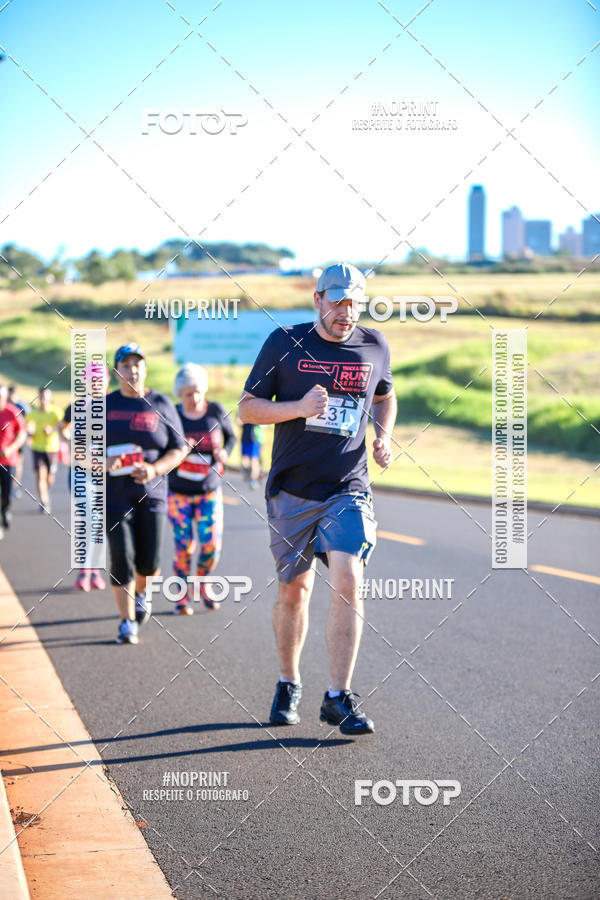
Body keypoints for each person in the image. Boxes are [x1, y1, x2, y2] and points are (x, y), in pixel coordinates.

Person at [239, 262, 396, 735]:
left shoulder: (374, 346)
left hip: (347, 486)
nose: (348, 312)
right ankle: (289, 682)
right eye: (339, 301)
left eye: (356, 302)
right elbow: (247, 409)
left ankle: (338, 697)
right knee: (295, 590)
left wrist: (383, 436)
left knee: (349, 579)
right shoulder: (285, 343)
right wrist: (299, 408)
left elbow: (386, 395)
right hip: (291, 490)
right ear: (319, 300)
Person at [106, 343, 188, 644]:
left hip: (151, 495)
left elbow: (179, 449)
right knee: (120, 556)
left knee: (149, 561)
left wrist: (154, 469)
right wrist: (102, 461)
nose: (132, 370)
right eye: (125, 365)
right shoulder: (105, 405)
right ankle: (126, 622)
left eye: (137, 364)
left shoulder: (162, 404)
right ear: (117, 372)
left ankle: (142, 593)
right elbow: (79, 450)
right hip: (114, 495)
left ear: (145, 368)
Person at [168, 363, 236, 614]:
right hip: (178, 492)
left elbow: (231, 438)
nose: (194, 398)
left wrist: (224, 453)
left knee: (211, 546)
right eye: (188, 394)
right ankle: (182, 596)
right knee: (184, 545)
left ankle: (202, 582)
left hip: (209, 491)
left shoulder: (216, 411)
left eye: (198, 392)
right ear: (179, 394)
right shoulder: (172, 414)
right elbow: (162, 445)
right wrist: (180, 451)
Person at [61, 362, 109, 592]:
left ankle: (94, 571)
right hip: (81, 473)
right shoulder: (78, 406)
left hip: (106, 475)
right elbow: (63, 427)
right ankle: (83, 571)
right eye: (93, 380)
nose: (97, 384)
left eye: (100, 379)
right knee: (89, 520)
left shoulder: (113, 407)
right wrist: (68, 442)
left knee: (101, 524)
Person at [26, 387, 62, 514]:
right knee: (40, 474)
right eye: (41, 397)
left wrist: (52, 430)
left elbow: (64, 426)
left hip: (52, 449)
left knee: (49, 478)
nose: (43, 400)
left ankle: (45, 492)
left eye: (46, 397)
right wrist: (29, 432)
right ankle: (44, 501)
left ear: (50, 398)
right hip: (38, 448)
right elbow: (28, 426)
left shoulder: (56, 412)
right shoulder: (33, 414)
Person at [0, 385, 27, 538]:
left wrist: (10, 449)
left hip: (8, 460)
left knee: (6, 493)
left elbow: (21, 435)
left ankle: (5, 510)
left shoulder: (13, 412)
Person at [7, 385, 29, 496]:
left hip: (18, 439)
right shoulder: (4, 404)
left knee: (18, 463)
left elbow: (27, 422)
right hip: (7, 440)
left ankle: (14, 486)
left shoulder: (21, 406)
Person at [240, 422, 261, 489]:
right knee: (244, 461)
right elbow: (239, 423)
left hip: (254, 439)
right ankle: (250, 473)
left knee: (254, 460)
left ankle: (253, 480)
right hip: (244, 438)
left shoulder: (257, 412)